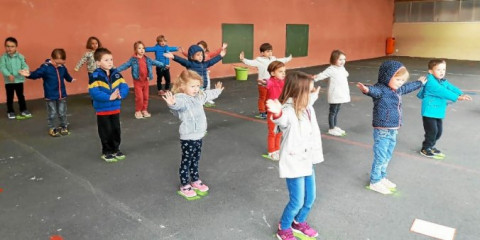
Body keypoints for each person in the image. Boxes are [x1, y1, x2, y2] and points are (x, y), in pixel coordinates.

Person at [265, 71, 323, 240]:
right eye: (309, 91)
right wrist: (277, 113)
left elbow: (309, 100)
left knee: (310, 198)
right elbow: (282, 120)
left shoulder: (307, 107)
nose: (311, 94)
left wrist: (314, 94)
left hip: (307, 160)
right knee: (297, 201)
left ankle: (299, 222)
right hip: (294, 162)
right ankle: (283, 227)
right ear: (298, 92)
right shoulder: (288, 110)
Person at [356, 60, 426, 195]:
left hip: (393, 129)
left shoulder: (398, 89)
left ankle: (382, 177)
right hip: (382, 129)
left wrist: (419, 83)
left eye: (402, 80)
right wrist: (366, 89)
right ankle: (375, 181)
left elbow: (408, 87)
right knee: (380, 156)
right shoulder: (381, 90)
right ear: (387, 76)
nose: (401, 83)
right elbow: (373, 91)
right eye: (398, 79)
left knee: (387, 155)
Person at [162, 70, 224, 199]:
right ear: (182, 86)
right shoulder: (181, 98)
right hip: (188, 136)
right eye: (192, 86)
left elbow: (207, 94)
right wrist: (172, 103)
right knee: (187, 160)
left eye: (197, 86)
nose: (196, 89)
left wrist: (217, 91)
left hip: (199, 134)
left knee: (195, 159)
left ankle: (195, 180)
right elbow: (177, 105)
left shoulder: (199, 96)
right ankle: (185, 184)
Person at [417, 59, 472, 158]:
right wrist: (457, 97)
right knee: (432, 131)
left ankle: (431, 146)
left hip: (438, 110)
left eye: (443, 69)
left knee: (438, 132)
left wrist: (460, 93)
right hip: (429, 111)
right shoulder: (430, 82)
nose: (442, 72)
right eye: (438, 69)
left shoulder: (441, 80)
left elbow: (450, 87)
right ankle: (425, 148)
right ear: (430, 71)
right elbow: (442, 91)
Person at [20, 49, 75, 137]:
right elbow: (36, 74)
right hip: (50, 96)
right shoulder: (45, 68)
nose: (60, 65)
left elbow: (66, 75)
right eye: (57, 63)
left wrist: (70, 79)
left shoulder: (62, 67)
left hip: (62, 95)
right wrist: (29, 74)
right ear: (52, 59)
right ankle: (52, 128)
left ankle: (64, 126)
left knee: (62, 112)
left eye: (62, 63)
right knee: (52, 113)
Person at [88, 48, 129, 162]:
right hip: (102, 110)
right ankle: (107, 151)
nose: (110, 62)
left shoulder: (116, 74)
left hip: (115, 108)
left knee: (116, 130)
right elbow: (94, 92)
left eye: (111, 59)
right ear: (98, 62)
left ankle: (116, 149)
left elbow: (124, 86)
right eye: (106, 60)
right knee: (106, 131)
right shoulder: (95, 76)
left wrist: (121, 94)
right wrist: (109, 97)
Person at [240, 43, 292, 119]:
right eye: (268, 51)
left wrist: (288, 58)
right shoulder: (258, 61)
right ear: (262, 53)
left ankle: (268, 110)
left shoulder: (274, 59)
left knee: (269, 98)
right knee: (262, 98)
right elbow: (250, 62)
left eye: (271, 51)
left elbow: (282, 60)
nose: (270, 53)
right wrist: (243, 59)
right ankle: (262, 112)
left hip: (272, 83)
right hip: (263, 84)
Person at [117, 41, 164, 119]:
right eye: (139, 48)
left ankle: (144, 110)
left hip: (145, 81)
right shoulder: (133, 60)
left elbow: (155, 62)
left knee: (146, 96)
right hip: (137, 82)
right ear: (135, 50)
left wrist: (163, 65)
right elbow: (125, 65)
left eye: (143, 48)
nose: (142, 50)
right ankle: (138, 111)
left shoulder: (147, 59)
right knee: (139, 97)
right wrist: (116, 70)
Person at [313, 50, 350, 136]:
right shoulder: (331, 69)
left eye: (344, 59)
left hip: (341, 93)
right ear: (334, 59)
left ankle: (335, 126)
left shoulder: (342, 68)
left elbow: (346, 74)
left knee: (337, 110)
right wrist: (314, 78)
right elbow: (322, 75)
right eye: (340, 59)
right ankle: (331, 128)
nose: (342, 61)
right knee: (333, 111)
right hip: (335, 93)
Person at [180, 41, 228, 107]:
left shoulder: (205, 60)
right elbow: (183, 60)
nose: (200, 56)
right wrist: (174, 57)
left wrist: (220, 55)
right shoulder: (191, 63)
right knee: (195, 93)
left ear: (204, 49)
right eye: (198, 55)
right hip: (196, 81)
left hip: (204, 76)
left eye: (201, 55)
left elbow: (213, 59)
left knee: (205, 89)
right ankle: (195, 102)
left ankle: (205, 100)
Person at [0, 37, 31, 119]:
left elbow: (25, 65)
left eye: (12, 46)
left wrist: (26, 70)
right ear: (5, 46)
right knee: (9, 97)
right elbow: (2, 67)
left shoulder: (20, 57)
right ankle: (10, 111)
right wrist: (8, 75)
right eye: (7, 46)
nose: (9, 48)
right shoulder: (3, 57)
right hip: (9, 82)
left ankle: (23, 109)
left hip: (19, 80)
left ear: (16, 47)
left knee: (21, 96)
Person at [264, 61, 286, 161]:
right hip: (272, 112)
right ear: (273, 73)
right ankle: (271, 152)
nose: (283, 73)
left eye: (284, 71)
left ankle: (277, 149)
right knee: (273, 132)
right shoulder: (271, 82)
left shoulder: (283, 81)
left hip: (281, 111)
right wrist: (264, 82)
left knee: (280, 132)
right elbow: (267, 83)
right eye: (280, 71)